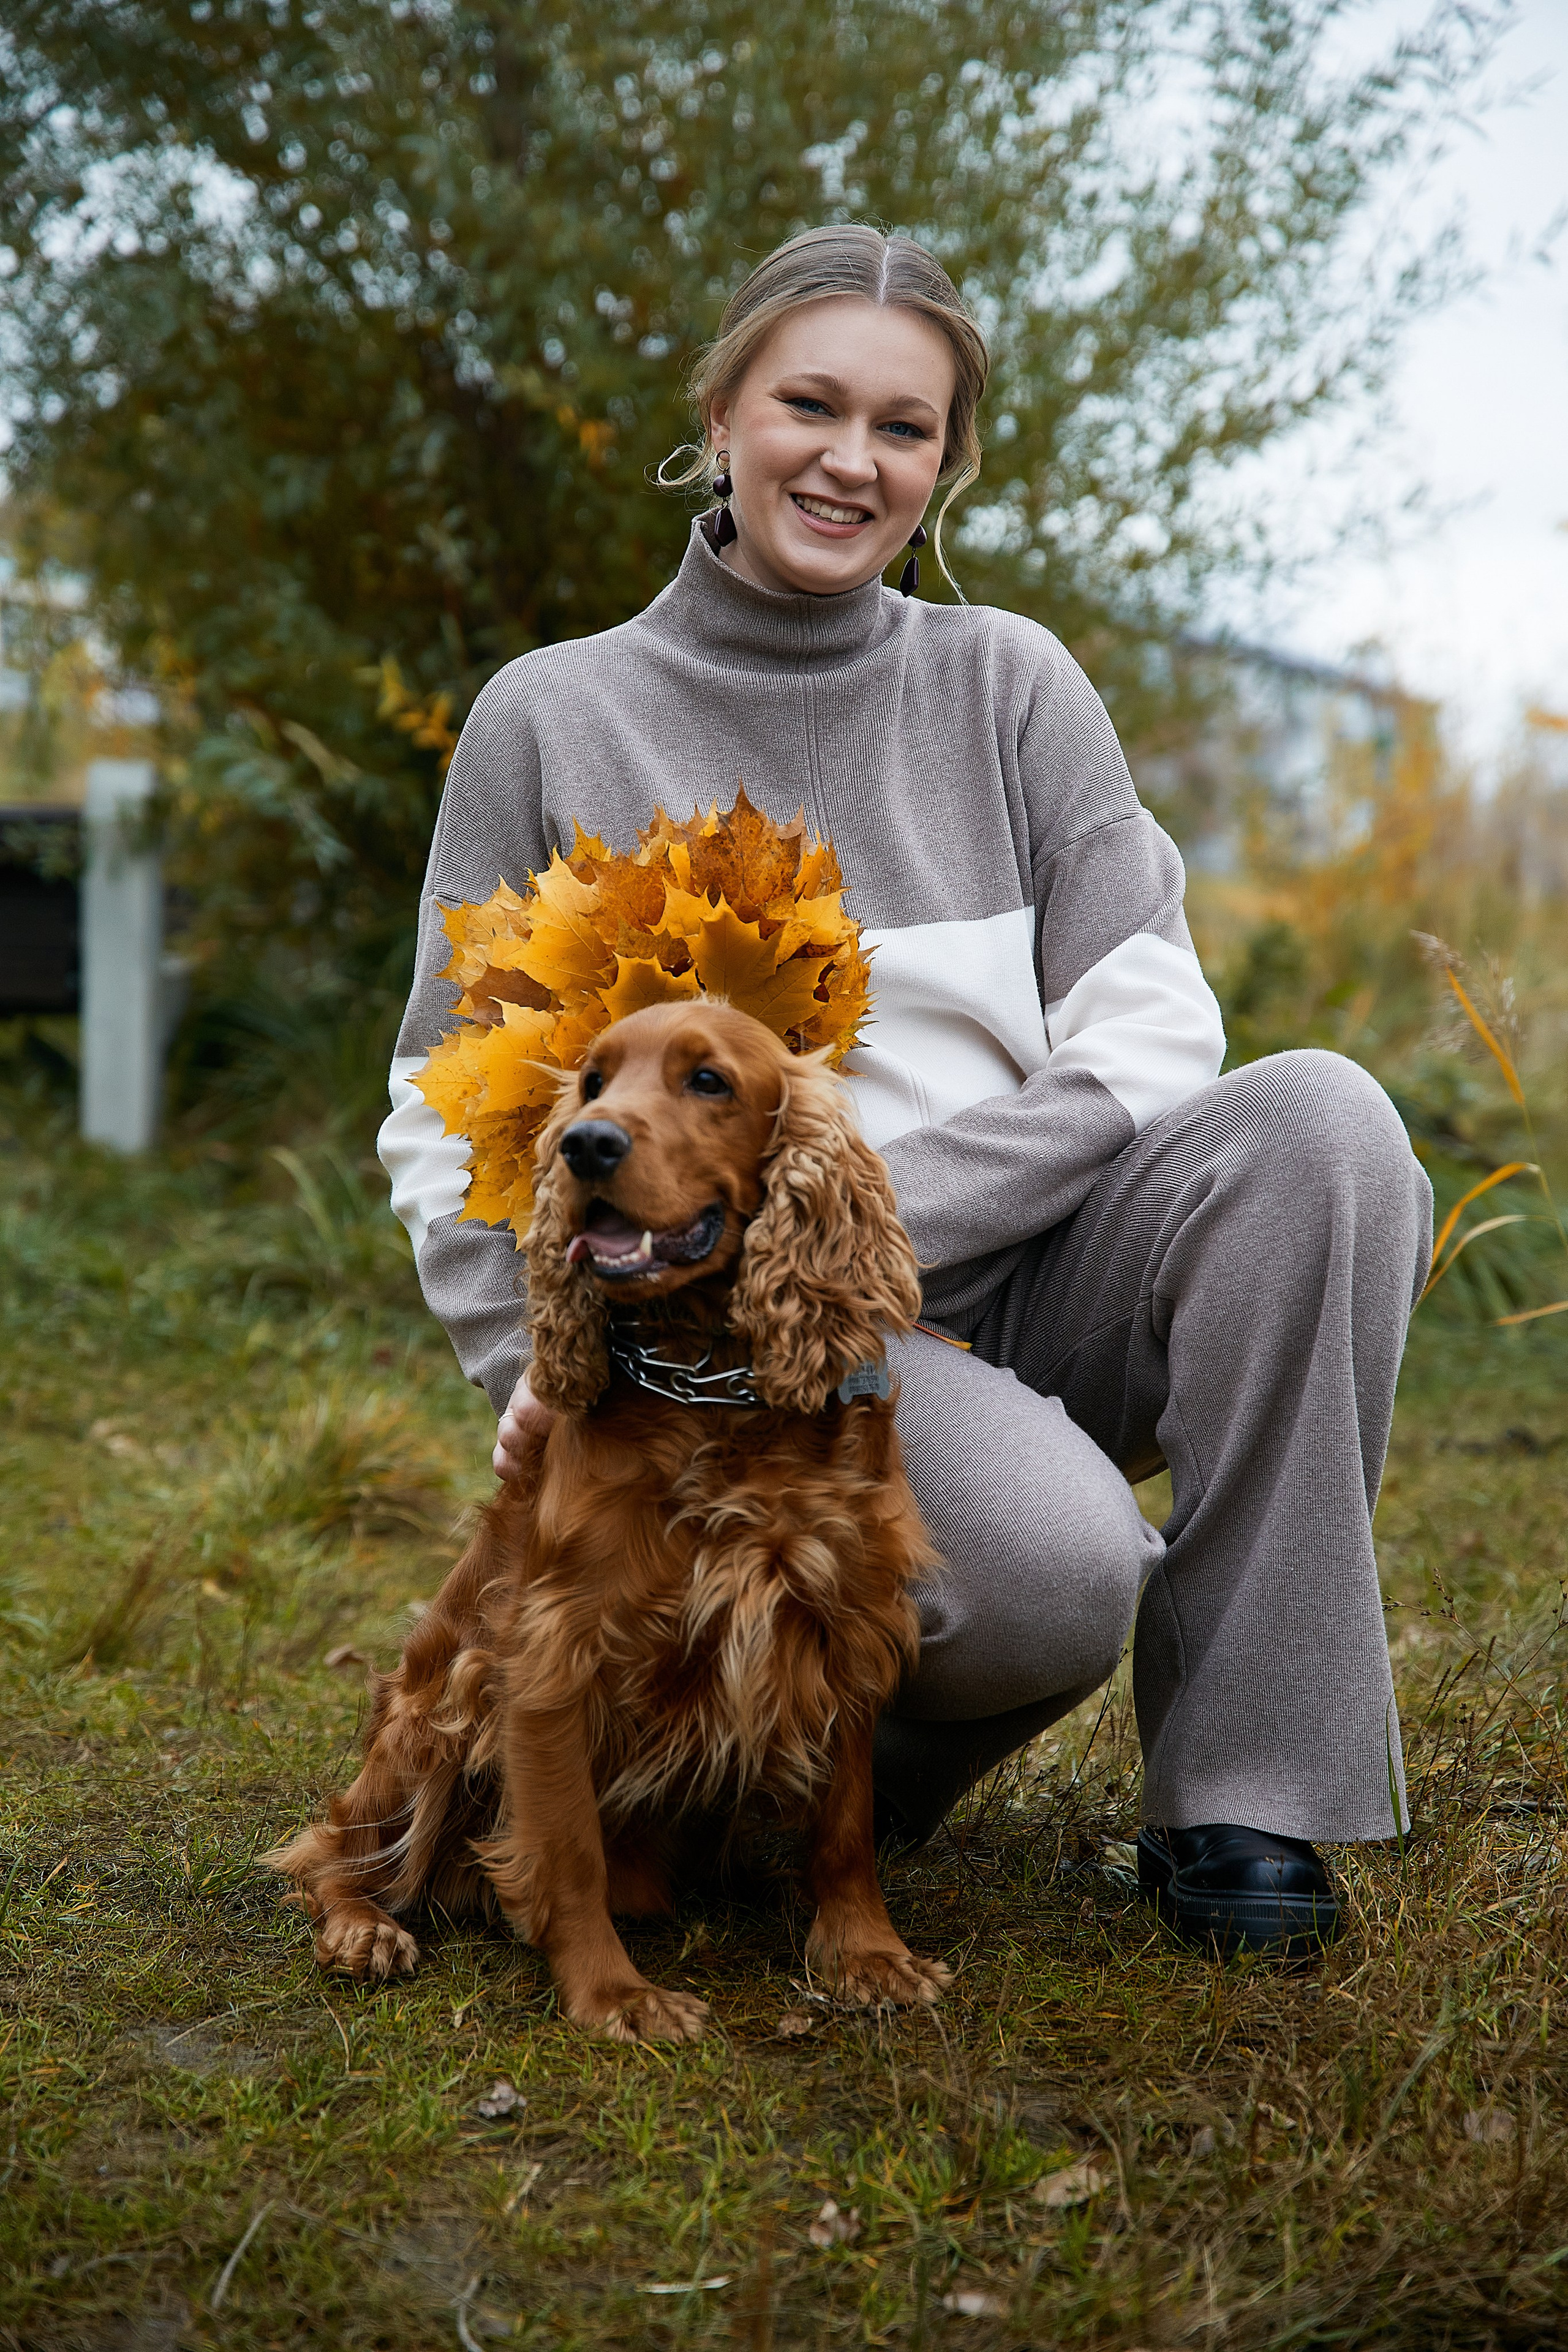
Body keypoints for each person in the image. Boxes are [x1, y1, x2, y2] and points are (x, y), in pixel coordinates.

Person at [378, 224, 1433, 1958]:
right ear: (719, 411)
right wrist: (541, 1360)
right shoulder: (551, 716)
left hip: (1019, 1259)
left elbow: (1157, 1028)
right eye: (810, 403)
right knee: (1058, 1577)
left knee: (1322, 1121)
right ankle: (762, 1779)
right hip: (741, 1338)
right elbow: (444, 1100)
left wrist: (872, 1217)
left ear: (947, 462)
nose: (852, 461)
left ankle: (1247, 1799)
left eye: (907, 427)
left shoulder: (1010, 687)